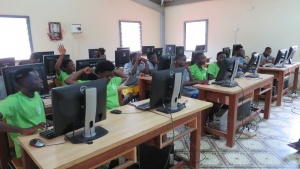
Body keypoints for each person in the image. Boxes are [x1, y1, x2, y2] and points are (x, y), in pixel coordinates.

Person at [0, 67, 52, 158]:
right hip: (26, 150)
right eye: (37, 79)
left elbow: (37, 117)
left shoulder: (35, 94)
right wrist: (22, 130)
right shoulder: (13, 101)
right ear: (27, 83)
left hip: (43, 139)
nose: (41, 80)